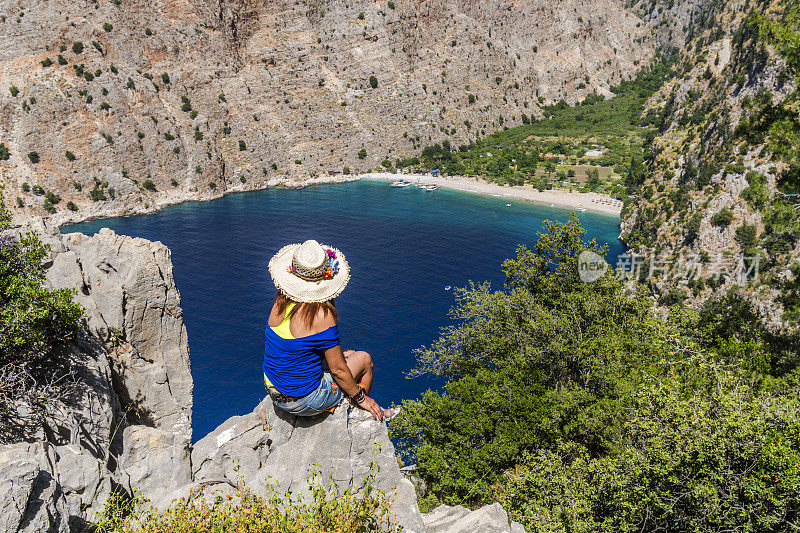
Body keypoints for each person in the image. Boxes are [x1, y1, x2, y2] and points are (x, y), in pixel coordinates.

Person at [264, 239, 397, 421]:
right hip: (303, 400)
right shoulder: (322, 314)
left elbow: (297, 349)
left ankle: (357, 400)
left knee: (349, 353)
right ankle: (365, 408)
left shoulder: (279, 303)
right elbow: (338, 371)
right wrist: (360, 396)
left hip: (274, 390)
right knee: (364, 359)